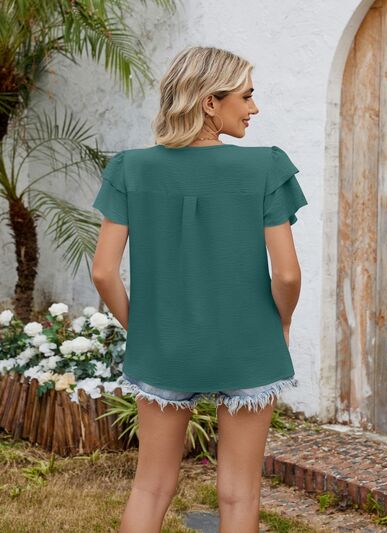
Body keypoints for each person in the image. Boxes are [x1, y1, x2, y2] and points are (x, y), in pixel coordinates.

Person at [91, 46, 308, 533]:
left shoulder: (128, 168)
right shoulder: (267, 168)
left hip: (163, 346)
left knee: (150, 488)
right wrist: (283, 321)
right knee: (239, 493)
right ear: (210, 102)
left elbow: (103, 272)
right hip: (249, 346)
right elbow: (288, 275)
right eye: (246, 96)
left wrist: (142, 330)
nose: (254, 108)